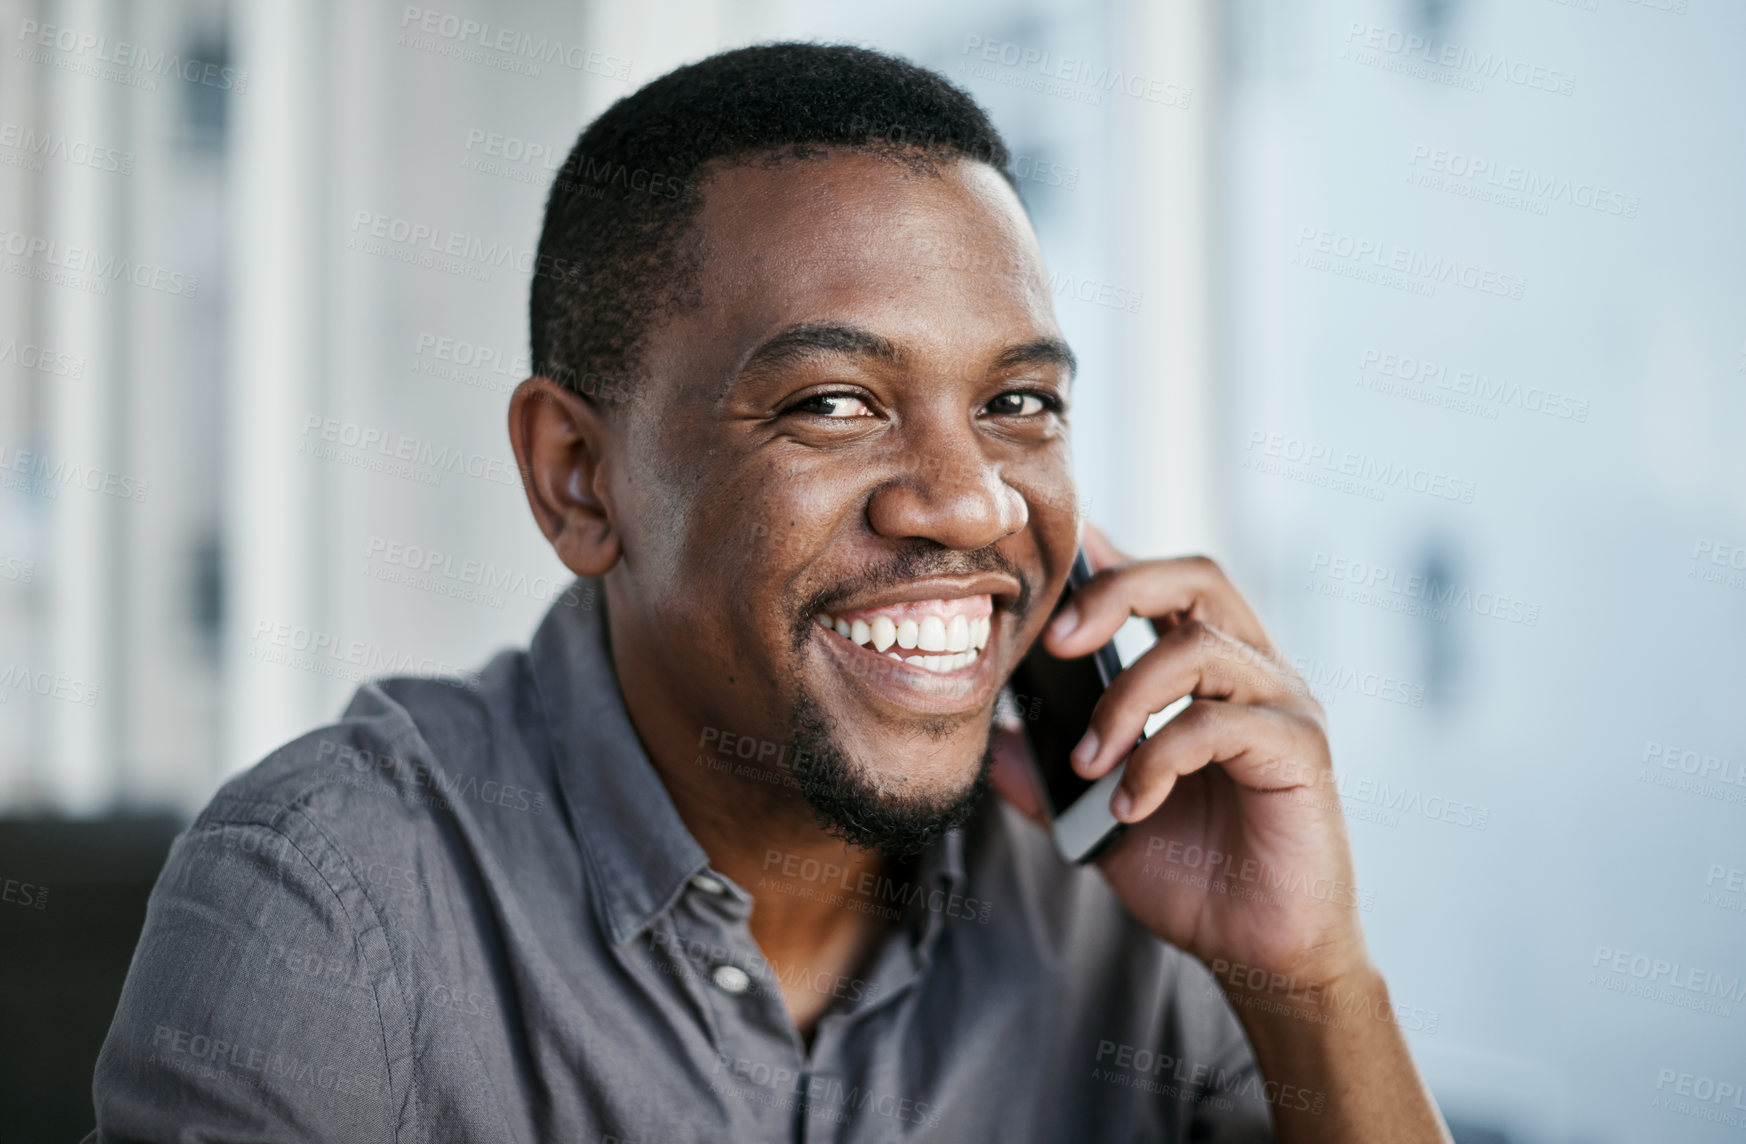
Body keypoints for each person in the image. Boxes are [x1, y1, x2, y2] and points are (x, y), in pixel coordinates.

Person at [89, 43, 1450, 1142]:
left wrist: (1308, 987)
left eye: (1017, 402)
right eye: (833, 403)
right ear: (579, 478)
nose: (970, 501)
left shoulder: (1134, 891)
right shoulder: (330, 899)